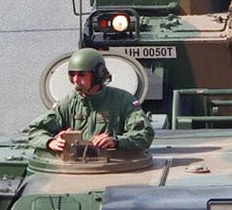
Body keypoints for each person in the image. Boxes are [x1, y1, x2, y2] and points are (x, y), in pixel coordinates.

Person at [25, 49, 154, 154]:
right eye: (72, 74)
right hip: (74, 169)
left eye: (81, 74)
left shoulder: (123, 101)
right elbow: (35, 130)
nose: (75, 80)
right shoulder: (68, 103)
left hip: (113, 167)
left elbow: (144, 134)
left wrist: (116, 141)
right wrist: (51, 142)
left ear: (97, 74)